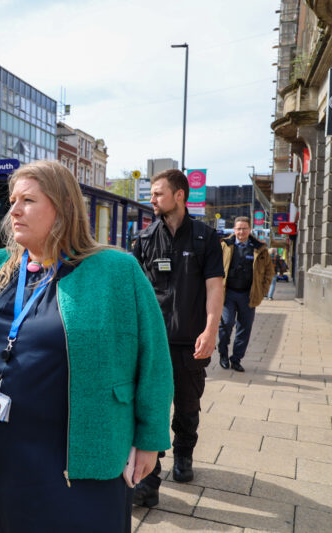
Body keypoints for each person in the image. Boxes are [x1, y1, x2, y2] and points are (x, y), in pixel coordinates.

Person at [0, 160, 173, 533]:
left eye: (28, 200)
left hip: (70, 459)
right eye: (12, 200)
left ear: (62, 207)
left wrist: (150, 439)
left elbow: (153, 360)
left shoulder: (115, 271)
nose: (14, 210)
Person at [132, 168, 225, 507]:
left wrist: (211, 329)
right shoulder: (144, 239)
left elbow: (215, 286)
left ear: (180, 196)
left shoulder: (205, 237)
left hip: (190, 342)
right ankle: (147, 482)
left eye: (157, 193)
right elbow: (135, 291)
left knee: (186, 407)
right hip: (153, 343)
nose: (151, 199)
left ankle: (183, 455)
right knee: (150, 406)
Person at [217, 217, 274, 372]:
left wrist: (262, 291)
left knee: (245, 328)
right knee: (226, 324)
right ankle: (223, 353)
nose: (241, 232)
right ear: (234, 230)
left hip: (248, 295)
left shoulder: (259, 248)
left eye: (244, 228)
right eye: (238, 229)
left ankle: (236, 359)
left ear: (250, 230)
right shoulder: (224, 245)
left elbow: (269, 272)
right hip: (227, 293)